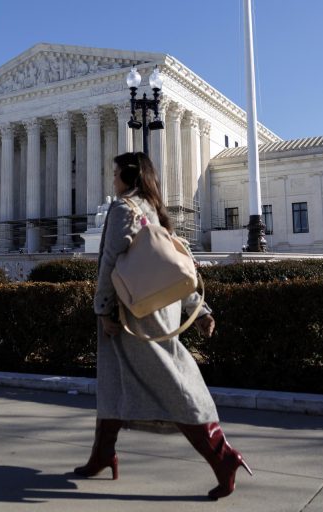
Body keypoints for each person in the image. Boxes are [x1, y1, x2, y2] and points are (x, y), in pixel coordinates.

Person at [73, 152, 252, 500]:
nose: (112, 180)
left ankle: (223, 457)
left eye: (115, 174)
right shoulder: (153, 210)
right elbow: (172, 266)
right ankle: (102, 455)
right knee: (113, 385)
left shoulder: (124, 209)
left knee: (176, 388)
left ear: (128, 175)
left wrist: (103, 310)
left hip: (134, 316)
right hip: (159, 308)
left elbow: (109, 263)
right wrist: (198, 310)